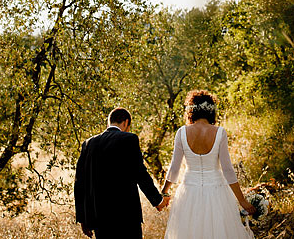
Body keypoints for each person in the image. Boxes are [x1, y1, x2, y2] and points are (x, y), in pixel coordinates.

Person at [160, 90, 255, 239]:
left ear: (190, 111)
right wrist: (242, 200)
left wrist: (164, 191)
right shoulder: (219, 132)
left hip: (189, 193)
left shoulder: (181, 133)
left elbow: (174, 168)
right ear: (211, 111)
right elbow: (228, 170)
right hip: (217, 192)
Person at [74, 107, 168, 238]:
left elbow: (79, 183)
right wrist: (157, 201)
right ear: (126, 122)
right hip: (126, 216)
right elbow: (140, 174)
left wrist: (84, 219)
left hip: (99, 217)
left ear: (109, 122)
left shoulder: (89, 143)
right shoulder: (129, 139)